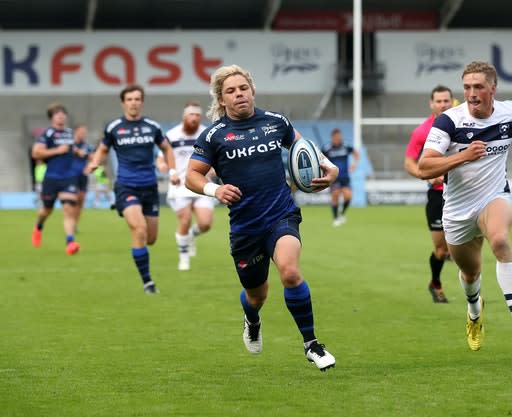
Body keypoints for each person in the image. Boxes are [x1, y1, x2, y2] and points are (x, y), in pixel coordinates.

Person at [185, 64, 338, 371]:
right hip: (245, 227)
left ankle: (311, 344)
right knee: (257, 295)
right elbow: (192, 175)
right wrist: (215, 190)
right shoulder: (214, 136)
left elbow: (301, 145)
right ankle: (252, 319)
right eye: (230, 91)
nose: (239, 94)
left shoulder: (275, 122)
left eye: (243, 88)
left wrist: (329, 167)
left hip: (281, 215)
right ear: (222, 99)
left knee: (291, 272)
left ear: (252, 90)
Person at [418, 61, 512, 351]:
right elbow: (425, 166)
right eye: (467, 87)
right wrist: (463, 157)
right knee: (470, 274)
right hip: (458, 210)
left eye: (478, 87)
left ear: (492, 89)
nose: (472, 93)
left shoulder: (511, 112)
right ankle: (474, 311)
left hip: (494, 197)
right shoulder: (449, 121)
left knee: (500, 239)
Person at [85, 84, 179, 294]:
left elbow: (166, 148)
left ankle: (125, 210)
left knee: (151, 238)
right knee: (139, 229)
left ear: (142, 102)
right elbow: (102, 150)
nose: (133, 103)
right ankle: (148, 283)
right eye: (129, 99)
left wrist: (172, 171)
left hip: (149, 187)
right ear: (123, 103)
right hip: (126, 186)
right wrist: (95, 163)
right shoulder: (114, 127)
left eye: (137, 99)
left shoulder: (152, 126)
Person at [404, 85, 454, 303]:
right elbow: (408, 162)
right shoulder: (422, 131)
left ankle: (473, 291)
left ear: (452, 102)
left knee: (470, 246)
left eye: (446, 101)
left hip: (463, 194)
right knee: (441, 250)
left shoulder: (463, 123)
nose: (442, 104)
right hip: (437, 197)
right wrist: (425, 175)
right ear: (431, 104)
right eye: (439, 101)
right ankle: (435, 283)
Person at [157, 101, 215, 271]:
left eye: (197, 115)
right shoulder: (172, 135)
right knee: (185, 218)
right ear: (184, 116)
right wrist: (166, 168)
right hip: (179, 184)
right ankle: (184, 259)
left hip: (201, 182)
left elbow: (215, 156)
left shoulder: (206, 133)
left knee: (205, 223)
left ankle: (190, 236)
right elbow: (161, 156)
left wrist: (213, 168)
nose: (195, 118)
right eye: (191, 114)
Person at [30, 102, 81, 255]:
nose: (60, 116)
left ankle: (70, 242)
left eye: (62, 113)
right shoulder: (47, 134)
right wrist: (57, 150)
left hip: (69, 177)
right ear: (52, 117)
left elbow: (73, 149)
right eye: (56, 114)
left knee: (68, 209)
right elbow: (36, 153)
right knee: (46, 210)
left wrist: (82, 154)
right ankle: (38, 226)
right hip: (51, 177)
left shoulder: (70, 133)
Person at [321, 128, 359, 226]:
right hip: (334, 177)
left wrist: (354, 164)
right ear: (332, 137)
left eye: (339, 136)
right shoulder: (327, 148)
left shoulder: (346, 146)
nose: (338, 138)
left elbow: (356, 153)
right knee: (335, 195)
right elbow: (319, 158)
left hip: (345, 177)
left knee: (348, 197)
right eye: (336, 137)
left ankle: (341, 213)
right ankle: (336, 218)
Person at [70, 123, 94, 228]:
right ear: (75, 132)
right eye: (81, 132)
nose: (83, 134)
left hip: (83, 176)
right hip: (70, 176)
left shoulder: (87, 146)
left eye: (85, 132)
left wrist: (89, 158)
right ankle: (69, 222)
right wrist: (76, 151)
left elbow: (94, 158)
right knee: (72, 200)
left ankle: (75, 223)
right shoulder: (69, 145)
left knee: (80, 201)